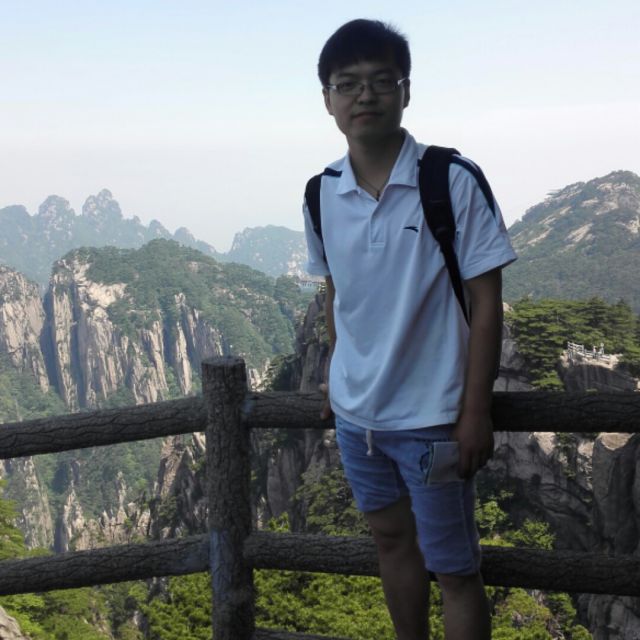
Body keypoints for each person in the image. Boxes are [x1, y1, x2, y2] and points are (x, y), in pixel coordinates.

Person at [302, 19, 517, 640]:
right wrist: (336, 373)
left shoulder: (450, 180)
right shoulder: (321, 194)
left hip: (434, 422)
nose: (364, 95)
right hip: (357, 422)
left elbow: (487, 301)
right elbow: (338, 294)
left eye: (380, 81)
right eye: (347, 84)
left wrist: (475, 411)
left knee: (454, 570)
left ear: (405, 91)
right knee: (391, 543)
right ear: (328, 100)